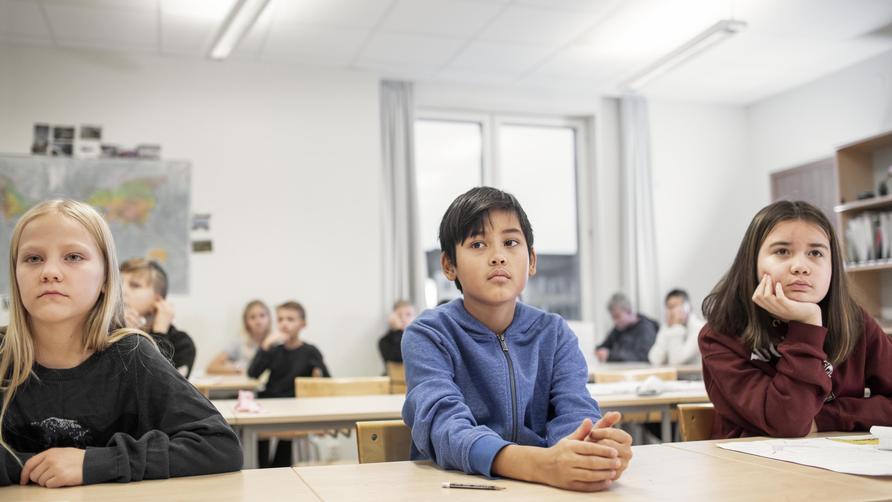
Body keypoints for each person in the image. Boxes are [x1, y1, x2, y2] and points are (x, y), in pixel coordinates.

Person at [402, 187, 632, 493]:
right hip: (456, 488)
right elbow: (444, 427)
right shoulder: (429, 334)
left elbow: (574, 409)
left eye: (511, 243)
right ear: (449, 265)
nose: (498, 257)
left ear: (532, 260)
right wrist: (539, 464)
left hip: (545, 490)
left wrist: (590, 449)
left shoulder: (554, 333)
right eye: (478, 244)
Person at [0, 199, 242, 487]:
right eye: (33, 258)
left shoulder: (132, 356)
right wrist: (34, 467)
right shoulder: (3, 355)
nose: (50, 271)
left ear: (105, 278)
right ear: (15, 275)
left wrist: (97, 463)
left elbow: (219, 445)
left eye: (74, 257)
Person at [700, 200, 892, 439]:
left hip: (841, 465)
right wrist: (808, 326)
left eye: (816, 253)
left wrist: (825, 418)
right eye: (782, 251)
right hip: (754, 469)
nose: (801, 267)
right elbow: (788, 423)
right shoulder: (721, 335)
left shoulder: (855, 322)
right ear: (752, 263)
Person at [247, 300, 330, 467]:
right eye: (280, 319)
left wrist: (317, 376)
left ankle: (278, 471)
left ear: (303, 324)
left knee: (285, 440)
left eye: (290, 319)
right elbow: (252, 373)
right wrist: (265, 345)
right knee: (258, 432)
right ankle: (262, 470)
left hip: (294, 407)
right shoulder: (274, 350)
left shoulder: (310, 352)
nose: (284, 324)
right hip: (269, 406)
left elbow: (327, 380)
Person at [120, 258, 196, 377]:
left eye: (134, 285)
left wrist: (160, 333)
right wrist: (124, 335)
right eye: (118, 283)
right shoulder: (106, 333)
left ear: (157, 299)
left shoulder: (182, 344)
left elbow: (162, 387)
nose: (121, 290)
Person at [206, 300, 272, 375]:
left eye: (262, 315)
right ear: (246, 322)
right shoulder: (239, 342)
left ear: (269, 318)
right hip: (245, 385)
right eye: (252, 317)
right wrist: (236, 370)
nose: (258, 321)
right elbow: (211, 367)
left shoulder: (277, 342)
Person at [648, 289, 706, 366]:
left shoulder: (699, 328)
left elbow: (676, 361)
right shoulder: (667, 327)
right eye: (669, 307)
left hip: (695, 377)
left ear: (688, 307)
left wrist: (677, 326)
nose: (672, 311)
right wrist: (670, 329)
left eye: (675, 306)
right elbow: (655, 359)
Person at [595, 293, 658, 362]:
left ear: (629, 311)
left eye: (617, 316)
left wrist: (610, 355)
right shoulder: (618, 328)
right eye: (613, 318)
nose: (615, 321)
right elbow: (604, 345)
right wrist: (599, 351)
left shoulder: (646, 328)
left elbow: (644, 357)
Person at [378, 299, 416, 365]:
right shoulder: (385, 341)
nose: (403, 319)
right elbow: (399, 357)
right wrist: (398, 330)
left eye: (408, 315)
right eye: (399, 315)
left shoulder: (420, 339)